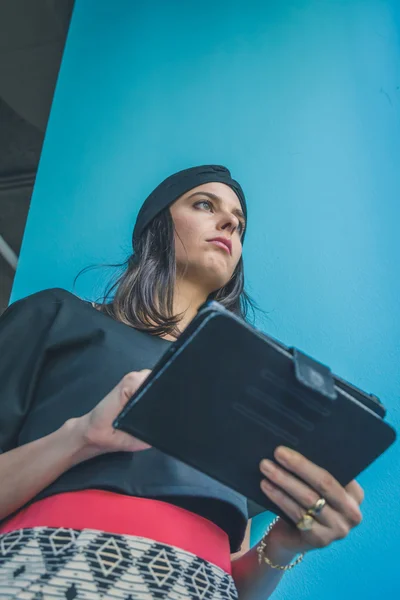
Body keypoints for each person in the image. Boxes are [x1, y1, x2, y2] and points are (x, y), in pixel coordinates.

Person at [0, 165, 364, 600]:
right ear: (157, 225)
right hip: (50, 572)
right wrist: (81, 437)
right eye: (205, 204)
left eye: (239, 222)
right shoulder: (56, 316)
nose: (230, 223)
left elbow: (235, 581)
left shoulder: (239, 390)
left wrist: (286, 543)